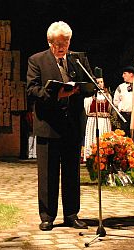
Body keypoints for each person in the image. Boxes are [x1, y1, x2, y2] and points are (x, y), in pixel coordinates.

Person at [27, 21, 93, 231]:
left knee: (72, 172)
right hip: (48, 124)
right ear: (49, 42)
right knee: (48, 173)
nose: (62, 47)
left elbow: (89, 86)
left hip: (72, 124)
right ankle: (47, 216)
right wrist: (55, 93)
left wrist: (83, 88)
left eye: (65, 42)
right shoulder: (37, 60)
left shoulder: (78, 59)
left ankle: (72, 214)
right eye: (57, 43)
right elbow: (32, 89)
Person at [113, 66, 134, 154]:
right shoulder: (121, 87)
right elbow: (115, 101)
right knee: (125, 136)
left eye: (125, 73)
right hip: (125, 116)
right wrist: (121, 107)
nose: (123, 76)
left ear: (131, 74)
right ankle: (125, 157)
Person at [83, 67, 112, 161]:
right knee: (93, 137)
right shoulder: (90, 96)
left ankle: (104, 156)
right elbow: (87, 109)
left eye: (101, 82)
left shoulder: (107, 96)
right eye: (98, 82)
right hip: (93, 121)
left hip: (105, 121)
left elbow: (109, 109)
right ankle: (91, 156)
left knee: (104, 138)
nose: (100, 84)